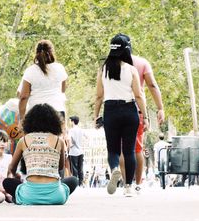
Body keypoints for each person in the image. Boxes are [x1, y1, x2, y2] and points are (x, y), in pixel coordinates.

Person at [94, 33, 149, 197]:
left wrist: (96, 116)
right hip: (129, 110)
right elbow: (138, 95)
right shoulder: (131, 70)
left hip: (110, 110)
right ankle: (128, 187)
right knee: (130, 150)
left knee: (113, 150)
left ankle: (115, 169)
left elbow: (98, 96)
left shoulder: (103, 69)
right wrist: (145, 116)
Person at [117, 33, 165, 193]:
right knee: (137, 148)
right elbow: (152, 85)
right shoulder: (142, 63)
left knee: (123, 149)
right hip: (136, 110)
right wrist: (160, 108)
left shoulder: (112, 64)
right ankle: (137, 183)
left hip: (116, 109)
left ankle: (126, 184)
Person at [3, 104, 78, 205]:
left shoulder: (23, 140)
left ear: (29, 122)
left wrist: (16, 175)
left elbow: (12, 168)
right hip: (56, 196)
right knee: (73, 180)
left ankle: (19, 198)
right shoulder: (59, 141)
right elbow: (60, 167)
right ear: (54, 122)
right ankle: (53, 194)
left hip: (29, 196)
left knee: (7, 182)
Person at [18, 39, 68, 123]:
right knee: (59, 136)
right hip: (57, 113)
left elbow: (23, 97)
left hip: (36, 114)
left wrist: (22, 119)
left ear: (36, 53)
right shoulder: (60, 68)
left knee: (32, 136)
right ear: (52, 52)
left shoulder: (30, 70)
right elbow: (63, 90)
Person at [68, 115, 85, 186]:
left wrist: (70, 146)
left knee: (74, 168)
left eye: (71, 120)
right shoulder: (81, 130)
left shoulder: (71, 130)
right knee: (80, 167)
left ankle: (75, 183)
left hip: (73, 151)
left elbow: (69, 140)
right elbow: (87, 137)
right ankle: (80, 183)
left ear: (73, 122)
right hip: (81, 151)